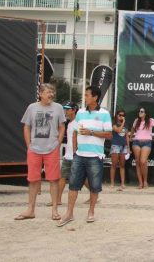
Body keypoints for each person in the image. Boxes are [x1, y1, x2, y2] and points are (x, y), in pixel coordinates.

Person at [58, 86, 112, 227]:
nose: (85, 97)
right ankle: (69, 213)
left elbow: (109, 134)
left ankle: (91, 211)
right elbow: (75, 132)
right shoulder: (80, 112)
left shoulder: (104, 114)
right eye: (85, 95)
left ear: (95, 97)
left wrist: (92, 132)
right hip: (79, 155)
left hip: (95, 155)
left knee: (94, 186)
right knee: (73, 185)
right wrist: (75, 150)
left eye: (87, 95)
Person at [14, 83, 66, 221]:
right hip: (34, 149)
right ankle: (30, 209)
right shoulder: (32, 107)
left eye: (52, 92)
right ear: (41, 93)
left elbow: (62, 126)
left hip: (52, 149)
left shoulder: (58, 108)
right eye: (48, 92)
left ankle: (54, 210)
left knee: (54, 179)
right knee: (33, 180)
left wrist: (58, 143)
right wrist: (29, 145)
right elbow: (26, 127)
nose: (51, 95)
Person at [130, 107, 154, 189]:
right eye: (139, 111)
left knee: (143, 161)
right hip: (136, 142)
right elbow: (132, 129)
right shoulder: (136, 121)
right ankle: (140, 183)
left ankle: (145, 181)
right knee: (138, 162)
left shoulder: (151, 120)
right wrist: (131, 137)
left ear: (145, 113)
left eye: (142, 111)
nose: (140, 112)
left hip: (147, 142)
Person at [54, 101, 79, 207]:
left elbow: (77, 139)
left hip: (75, 155)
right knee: (62, 177)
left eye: (68, 109)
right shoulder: (68, 122)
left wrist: (75, 153)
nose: (66, 111)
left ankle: (94, 194)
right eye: (65, 109)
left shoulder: (78, 122)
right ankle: (58, 200)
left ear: (74, 110)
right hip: (68, 155)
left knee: (83, 179)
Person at [110, 109, 129, 191]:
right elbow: (118, 130)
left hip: (124, 146)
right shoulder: (113, 123)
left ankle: (122, 183)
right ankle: (112, 183)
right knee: (114, 164)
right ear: (116, 115)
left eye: (123, 115)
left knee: (122, 165)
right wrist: (123, 123)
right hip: (115, 145)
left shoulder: (126, 125)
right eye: (120, 115)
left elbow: (127, 136)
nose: (121, 116)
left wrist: (128, 147)